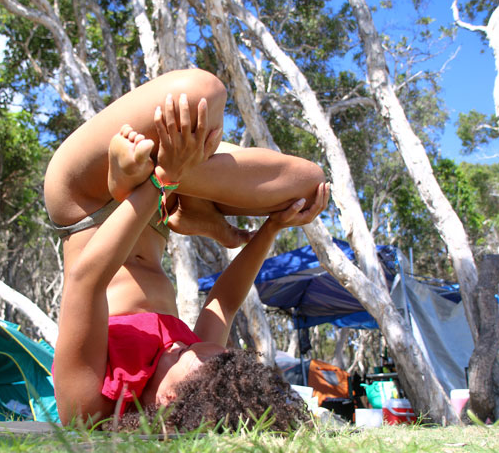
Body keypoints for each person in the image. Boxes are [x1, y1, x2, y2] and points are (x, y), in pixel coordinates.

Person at [50, 75, 330, 429]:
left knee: (202, 92)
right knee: (307, 186)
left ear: (170, 399)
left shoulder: (91, 408)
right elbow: (224, 303)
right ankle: (176, 195)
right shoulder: (212, 378)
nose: (184, 344)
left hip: (85, 206)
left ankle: (148, 182)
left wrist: (162, 178)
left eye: (186, 351)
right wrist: (272, 227)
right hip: (155, 208)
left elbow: (86, 279)